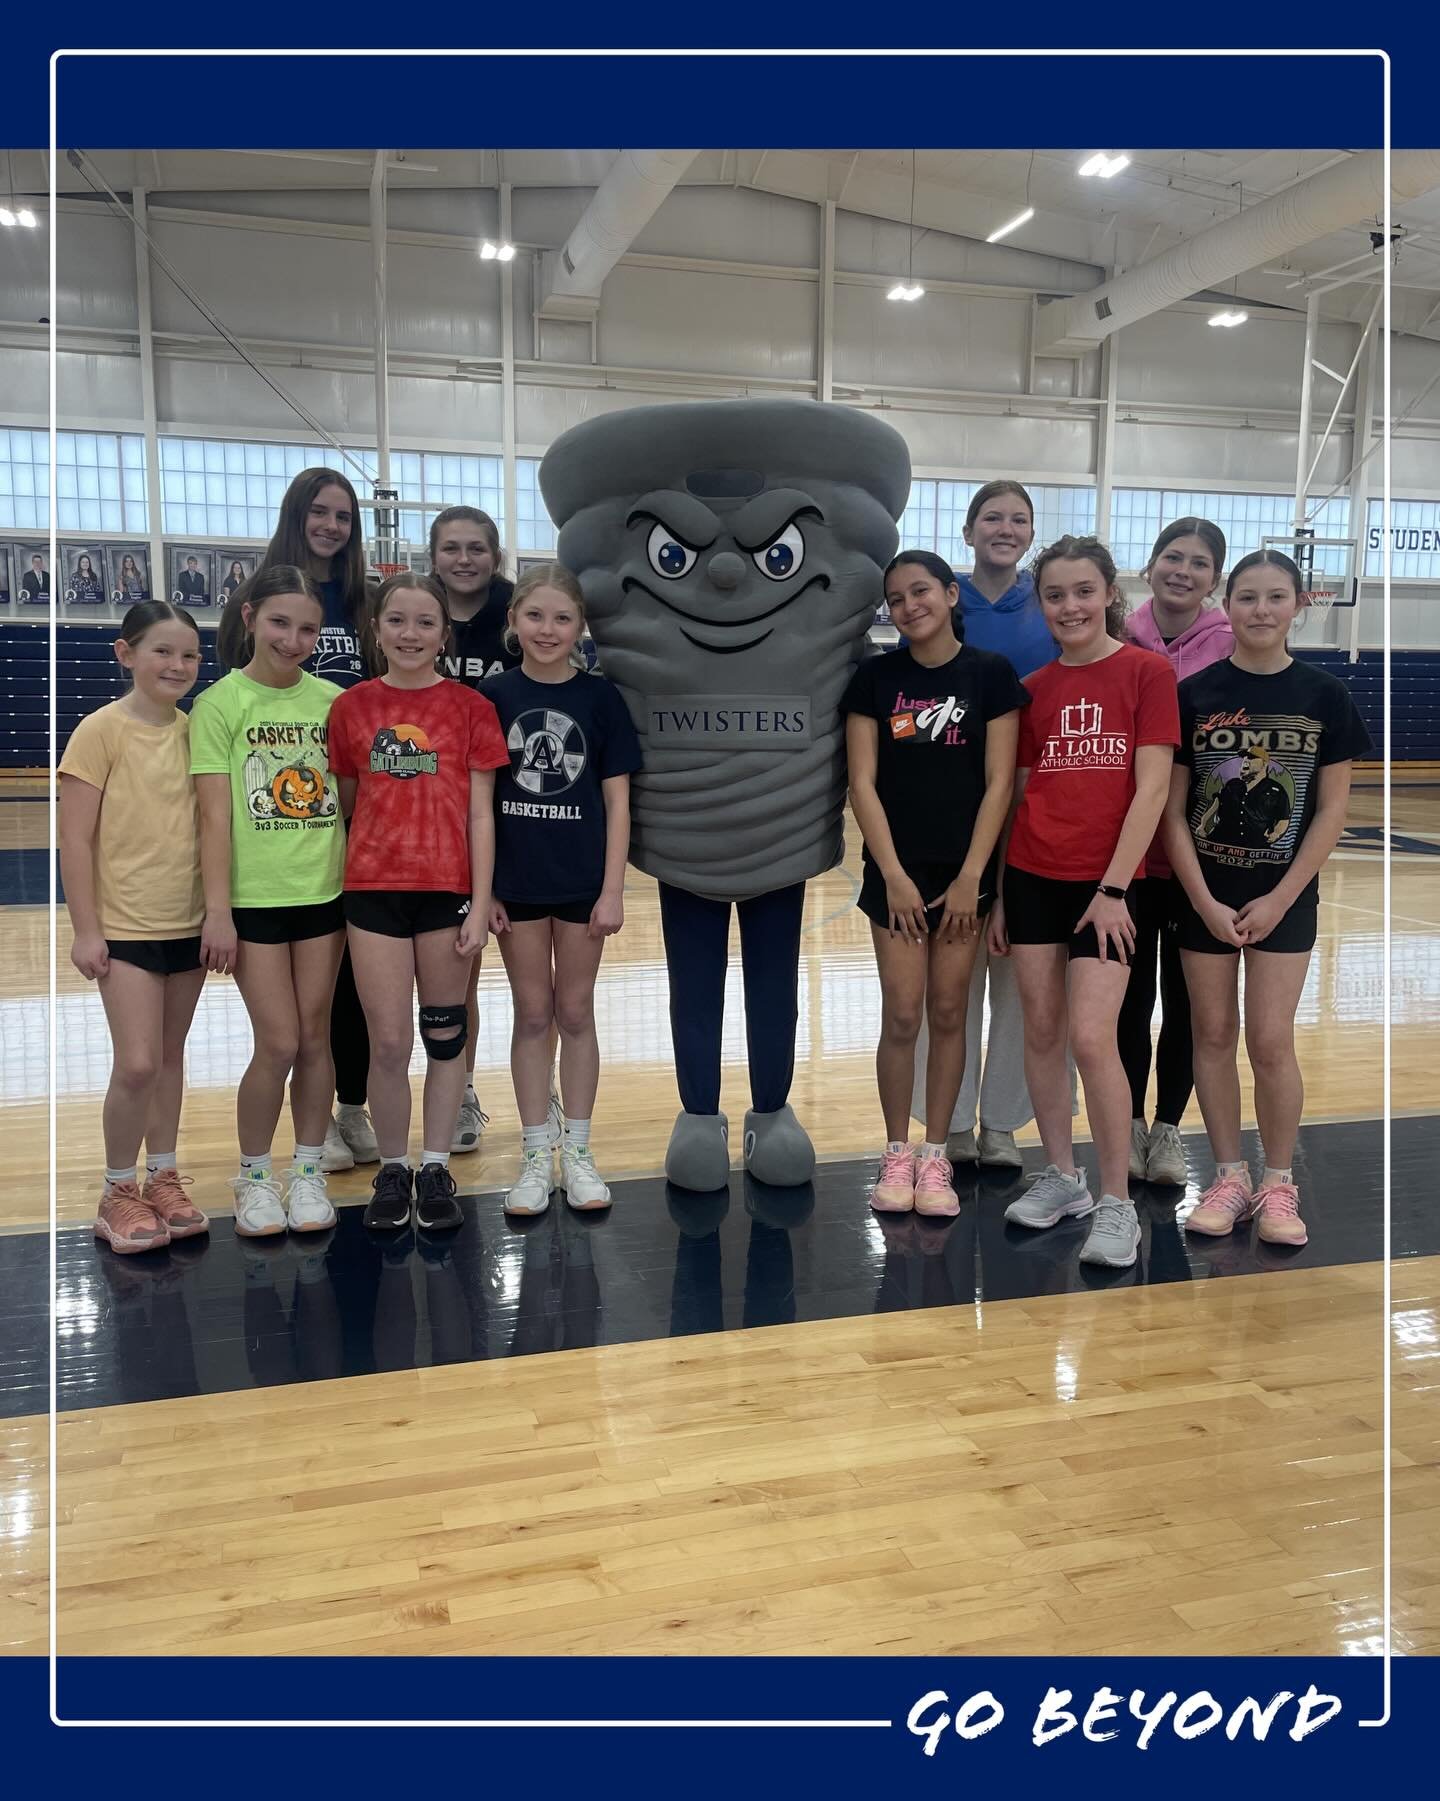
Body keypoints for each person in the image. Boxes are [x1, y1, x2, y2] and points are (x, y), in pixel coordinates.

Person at [1165, 550, 1372, 1248]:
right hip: (1205, 896)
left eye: (1274, 597)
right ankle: (1228, 1175)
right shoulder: (1194, 693)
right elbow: (1171, 812)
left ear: (1297, 605)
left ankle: (1278, 1181)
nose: (1259, 610)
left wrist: (1283, 898)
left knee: (1271, 1040)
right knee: (1212, 1034)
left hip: (1284, 898)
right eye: (1247, 596)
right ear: (1226, 602)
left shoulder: (1325, 696)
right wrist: (1201, 897)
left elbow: (1331, 811)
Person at [993, 535, 1179, 1269]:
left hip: (1108, 886)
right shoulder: (1033, 688)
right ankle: (1063, 1177)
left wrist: (1112, 887)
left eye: (1082, 591)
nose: (1069, 605)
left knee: (1092, 1038)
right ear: (1041, 603)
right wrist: (1006, 894)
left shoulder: (1146, 672)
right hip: (1034, 875)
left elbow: (1154, 787)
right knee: (1039, 1030)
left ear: (1108, 593)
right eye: (1055, 594)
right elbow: (1017, 795)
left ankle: (1115, 1202)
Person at [843, 550, 1027, 1216]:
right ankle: (897, 1153)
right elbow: (861, 782)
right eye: (895, 598)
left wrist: (972, 876)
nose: (908, 605)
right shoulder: (874, 678)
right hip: (897, 873)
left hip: (963, 873)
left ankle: (935, 1155)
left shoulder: (992, 675)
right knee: (903, 1013)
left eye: (920, 590)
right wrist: (890, 873)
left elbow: (1001, 782)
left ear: (951, 594)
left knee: (951, 1012)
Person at [327, 572, 509, 1232]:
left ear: (443, 634)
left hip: (448, 894)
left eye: (425, 622)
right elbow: (350, 803)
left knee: (443, 1035)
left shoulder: (471, 708)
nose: (410, 633)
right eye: (397, 620)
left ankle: (436, 1167)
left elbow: (481, 815)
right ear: (376, 631)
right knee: (388, 1040)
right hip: (373, 894)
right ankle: (392, 1170)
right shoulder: (351, 710)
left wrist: (481, 898)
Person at [910, 480, 1064, 1171]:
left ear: (1031, 534)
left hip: (1039, 801)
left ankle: (1003, 1120)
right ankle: (951, 1118)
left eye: (1019, 519)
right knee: (952, 977)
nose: (1006, 528)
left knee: (1022, 976)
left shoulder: (1054, 600)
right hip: (952, 806)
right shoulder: (944, 597)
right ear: (968, 531)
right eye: (993, 517)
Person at [191, 566, 347, 1236]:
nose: (293, 638)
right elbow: (213, 819)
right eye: (281, 622)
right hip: (254, 902)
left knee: (315, 1039)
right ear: (250, 617)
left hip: (325, 893)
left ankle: (307, 1170)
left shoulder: (334, 703)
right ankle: (255, 1175)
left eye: (307, 627)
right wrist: (219, 910)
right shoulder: (220, 705)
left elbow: (351, 801)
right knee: (278, 1039)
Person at [483, 564, 641, 1216]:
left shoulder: (602, 700)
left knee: (575, 1013)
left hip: (580, 883)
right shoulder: (492, 697)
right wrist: (483, 885)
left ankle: (576, 1151)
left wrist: (613, 889)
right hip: (516, 884)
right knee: (532, 1014)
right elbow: (478, 802)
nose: (548, 630)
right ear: (514, 621)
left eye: (562, 618)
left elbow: (619, 801)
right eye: (536, 616)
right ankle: (532, 1154)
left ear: (581, 627)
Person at [58, 601, 211, 1253]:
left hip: (189, 923)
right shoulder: (100, 730)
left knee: (171, 1058)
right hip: (124, 928)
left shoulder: (197, 730)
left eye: (190, 655)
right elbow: (74, 840)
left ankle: (163, 1174)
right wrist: (85, 929)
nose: (177, 665)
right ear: (126, 653)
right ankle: (118, 1188)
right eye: (162, 652)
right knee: (138, 1062)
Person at [249, 466, 376, 1174]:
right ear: (297, 513)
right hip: (289, 811)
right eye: (320, 512)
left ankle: (351, 1105)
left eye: (344, 516)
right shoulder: (258, 593)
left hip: (361, 803)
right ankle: (313, 1116)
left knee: (356, 976)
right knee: (299, 994)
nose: (332, 525)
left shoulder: (365, 603)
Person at [1117, 517, 1234, 1187]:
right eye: (1172, 556)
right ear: (1151, 563)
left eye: (1198, 562)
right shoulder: (1117, 635)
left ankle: (1167, 1131)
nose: (1182, 569)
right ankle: (1128, 1123)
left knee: (1187, 1004)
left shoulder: (1228, 645)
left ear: (1214, 578)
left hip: (1199, 855)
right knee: (1128, 1001)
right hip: (1130, 852)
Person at [429, 505, 525, 1155]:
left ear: (495, 556)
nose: (464, 559)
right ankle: (458, 1090)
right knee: (454, 973)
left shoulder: (519, 614)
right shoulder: (414, 611)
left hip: (510, 809)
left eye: (476, 549)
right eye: (451, 548)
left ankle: (532, 1085)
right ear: (432, 555)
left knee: (515, 970)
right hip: (431, 811)